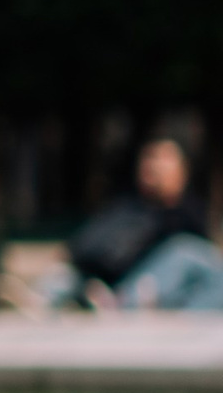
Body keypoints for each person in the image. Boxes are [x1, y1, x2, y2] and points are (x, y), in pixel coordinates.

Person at [70, 132, 223, 310]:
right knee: (64, 279)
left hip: (154, 289)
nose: (155, 167)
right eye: (150, 159)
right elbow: (86, 247)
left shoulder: (189, 211)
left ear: (182, 169)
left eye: (163, 160)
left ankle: (124, 303)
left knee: (188, 252)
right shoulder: (127, 207)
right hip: (114, 281)